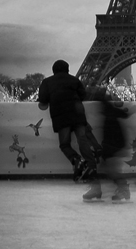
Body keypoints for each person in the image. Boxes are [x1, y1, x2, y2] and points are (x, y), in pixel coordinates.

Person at [37, 59, 98, 199]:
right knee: (83, 141)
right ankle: (91, 167)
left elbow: (43, 99)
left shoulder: (47, 82)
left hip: (61, 116)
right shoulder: (74, 80)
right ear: (67, 69)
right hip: (78, 114)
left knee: (64, 144)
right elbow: (83, 95)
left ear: (53, 70)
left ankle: (76, 159)